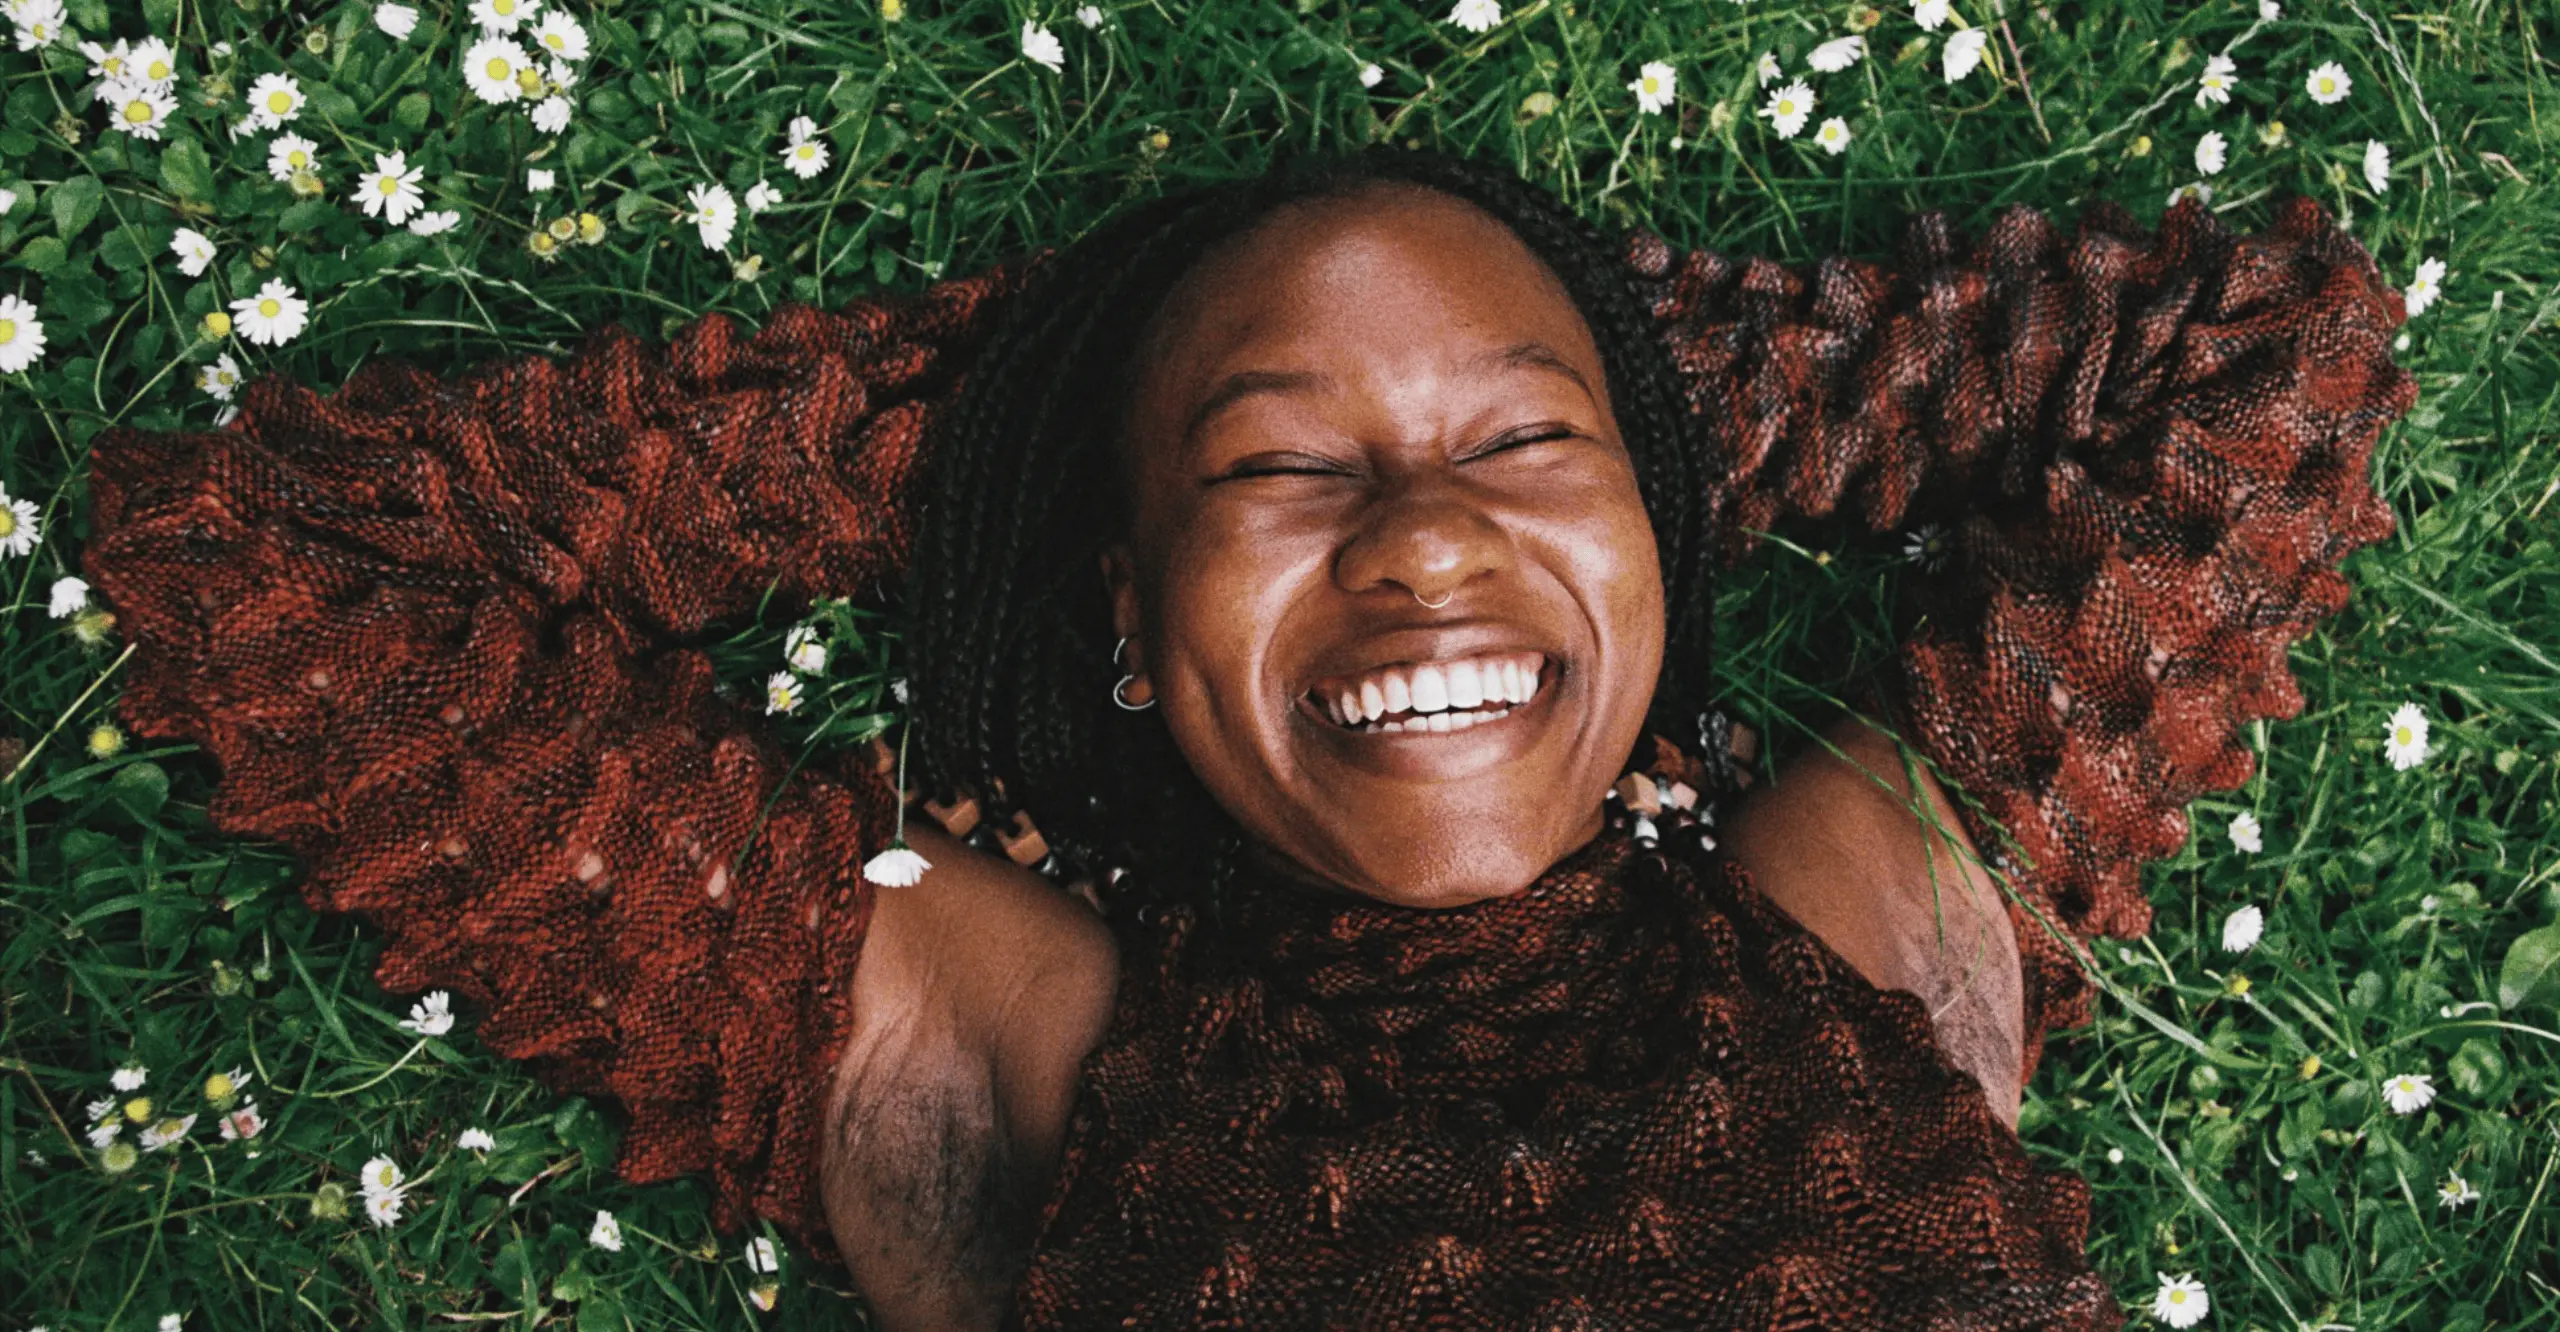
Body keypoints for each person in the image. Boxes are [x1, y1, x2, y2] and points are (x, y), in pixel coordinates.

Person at [78, 147, 2416, 1329]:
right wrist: (1036, 431)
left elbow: (2257, 358)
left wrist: (1621, 450)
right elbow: (278, 565)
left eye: (1520, 455)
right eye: (1278, 475)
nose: (1415, 550)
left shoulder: (1864, 941)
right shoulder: (991, 1052)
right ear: (1123, 608)